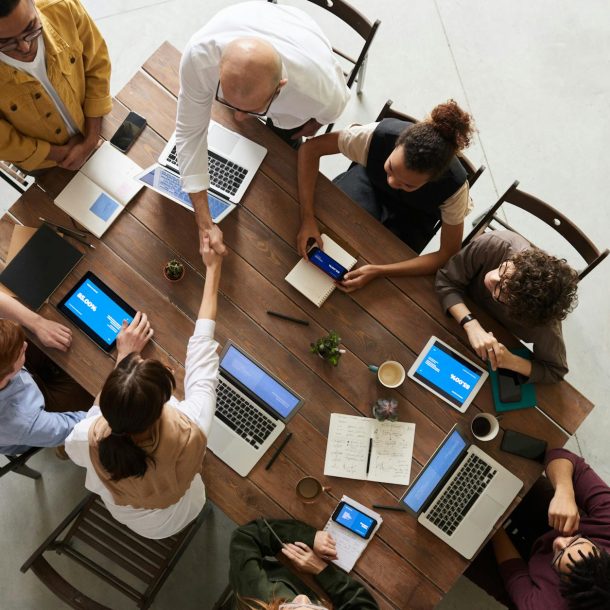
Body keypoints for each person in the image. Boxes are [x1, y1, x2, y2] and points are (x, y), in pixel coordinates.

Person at [65, 235, 222, 539]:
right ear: (163, 404)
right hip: (182, 508)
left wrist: (123, 356)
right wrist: (213, 269)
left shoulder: (88, 435)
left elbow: (88, 425)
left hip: (139, 522)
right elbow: (203, 352)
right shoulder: (192, 425)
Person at [176, 1, 350, 257]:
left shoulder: (319, 93)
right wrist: (204, 220)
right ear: (219, 68)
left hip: (302, 43)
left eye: (251, 110)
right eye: (228, 101)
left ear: (280, 87)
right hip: (253, 20)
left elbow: (329, 113)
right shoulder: (199, 57)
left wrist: (314, 124)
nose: (239, 118)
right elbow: (189, 133)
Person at [296, 99, 475, 291]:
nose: (392, 182)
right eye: (390, 168)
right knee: (330, 227)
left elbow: (448, 253)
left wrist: (379, 271)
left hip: (414, 217)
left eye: (408, 184)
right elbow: (310, 149)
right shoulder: (376, 136)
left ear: (432, 180)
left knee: (379, 269)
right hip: (368, 185)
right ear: (397, 144)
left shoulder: (454, 189)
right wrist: (307, 217)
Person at [467, 449, 610, 609]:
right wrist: (564, 493)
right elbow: (559, 455)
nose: (560, 541)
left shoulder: (545, 605)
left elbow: (514, 571)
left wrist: (492, 521)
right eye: (575, 541)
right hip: (562, 522)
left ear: (562, 584)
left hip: (529, 584)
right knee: (516, 474)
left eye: (560, 554)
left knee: (466, 547)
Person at [435, 230, 578, 383]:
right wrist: (471, 325)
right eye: (504, 270)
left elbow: (555, 371)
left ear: (519, 311)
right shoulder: (495, 244)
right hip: (448, 314)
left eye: (502, 290)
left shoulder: (544, 323)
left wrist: (510, 361)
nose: (492, 278)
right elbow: (446, 280)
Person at [0, 0, 112, 172]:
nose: (25, 46)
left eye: (31, 28)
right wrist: (61, 154)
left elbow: (97, 62)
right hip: (46, 164)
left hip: (96, 126)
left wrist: (90, 139)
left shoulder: (62, 6)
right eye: (6, 42)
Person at [0, 292, 91, 454]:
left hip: (15, 380)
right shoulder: (22, 422)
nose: (25, 346)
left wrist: (38, 323)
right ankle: (63, 448)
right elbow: (84, 427)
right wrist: (125, 360)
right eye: (20, 352)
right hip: (32, 416)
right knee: (92, 393)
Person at [228, 518, 379, 609]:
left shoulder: (256, 596)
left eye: (290, 608)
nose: (302, 598)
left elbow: (244, 539)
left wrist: (308, 537)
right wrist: (321, 570)